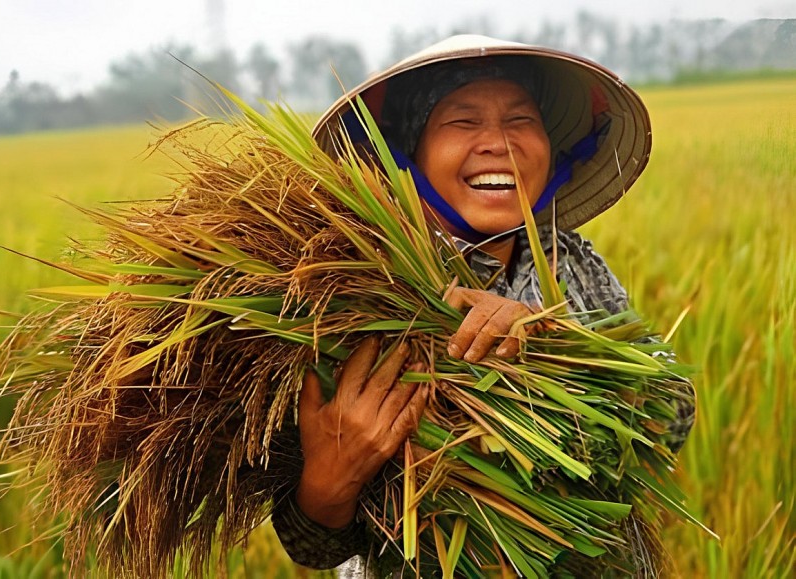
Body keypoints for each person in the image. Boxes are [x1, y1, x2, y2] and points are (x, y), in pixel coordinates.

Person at [271, 35, 695, 578]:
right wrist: (330, 484)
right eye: (462, 122)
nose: (498, 142)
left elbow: (672, 413)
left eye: (521, 120)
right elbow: (314, 546)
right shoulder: (358, 291)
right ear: (410, 154)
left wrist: (553, 341)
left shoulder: (570, 261)